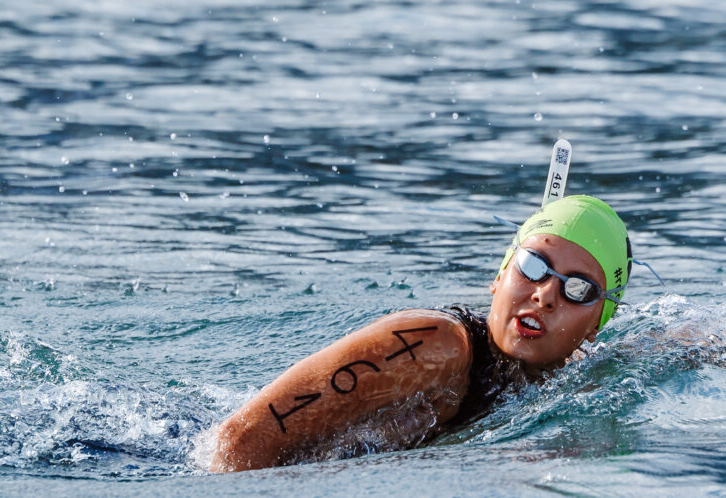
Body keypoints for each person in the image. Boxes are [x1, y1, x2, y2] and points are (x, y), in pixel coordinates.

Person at [207, 195, 633, 472]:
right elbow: (239, 443)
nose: (544, 295)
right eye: (534, 266)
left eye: (578, 289)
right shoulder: (433, 346)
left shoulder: (574, 377)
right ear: (501, 273)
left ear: (596, 324)